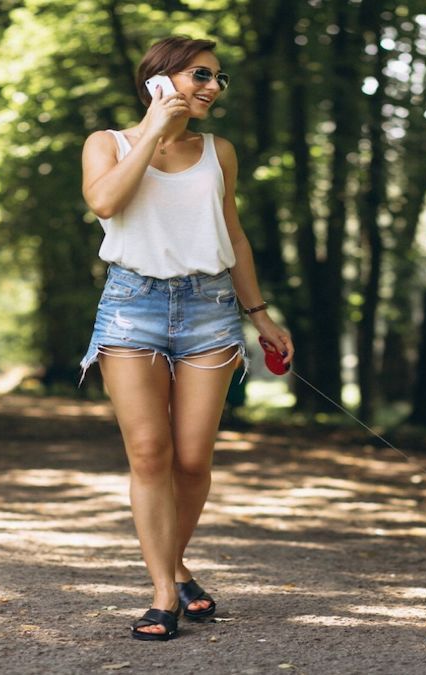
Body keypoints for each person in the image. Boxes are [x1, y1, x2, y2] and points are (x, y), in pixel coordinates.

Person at [79, 36, 294, 641]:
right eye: (201, 75)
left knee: (193, 459)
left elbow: (234, 233)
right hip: (131, 307)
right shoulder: (107, 144)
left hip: (210, 308)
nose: (212, 88)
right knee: (150, 453)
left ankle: (171, 565)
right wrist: (153, 129)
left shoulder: (218, 151)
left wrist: (261, 315)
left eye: (218, 79)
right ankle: (163, 591)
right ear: (158, 78)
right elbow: (104, 201)